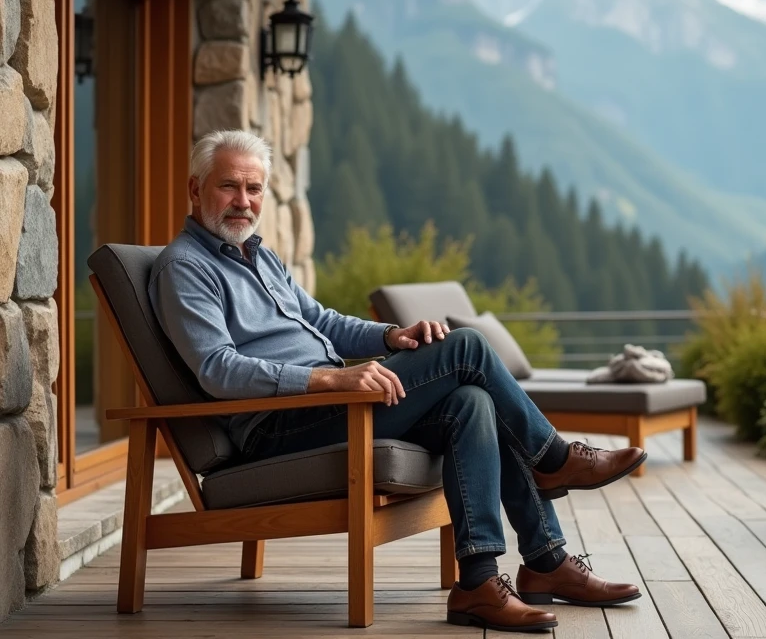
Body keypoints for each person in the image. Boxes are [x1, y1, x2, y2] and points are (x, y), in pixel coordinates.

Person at [148, 129, 645, 632]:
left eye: (254, 189)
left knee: (472, 401)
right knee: (466, 347)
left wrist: (391, 335)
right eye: (229, 186)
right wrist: (328, 381)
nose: (243, 201)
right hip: (279, 427)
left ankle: (500, 575)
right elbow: (216, 369)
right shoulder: (185, 267)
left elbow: (325, 321)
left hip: (333, 405)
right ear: (195, 188)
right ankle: (552, 460)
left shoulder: (262, 257)